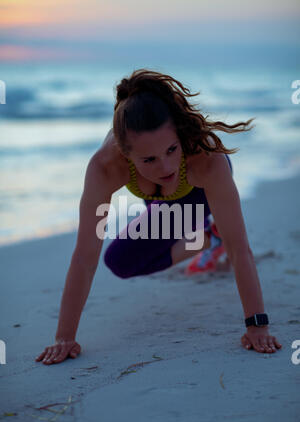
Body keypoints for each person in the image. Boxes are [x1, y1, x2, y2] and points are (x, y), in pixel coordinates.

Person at [35, 68, 282, 365]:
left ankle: (212, 231)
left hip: (197, 193)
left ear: (179, 133)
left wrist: (257, 326)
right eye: (149, 159)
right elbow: (85, 257)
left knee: (226, 237)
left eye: (171, 149)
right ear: (125, 154)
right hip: (165, 204)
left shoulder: (207, 160)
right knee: (119, 262)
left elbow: (240, 248)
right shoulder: (104, 167)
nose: (164, 165)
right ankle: (206, 238)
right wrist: (64, 337)